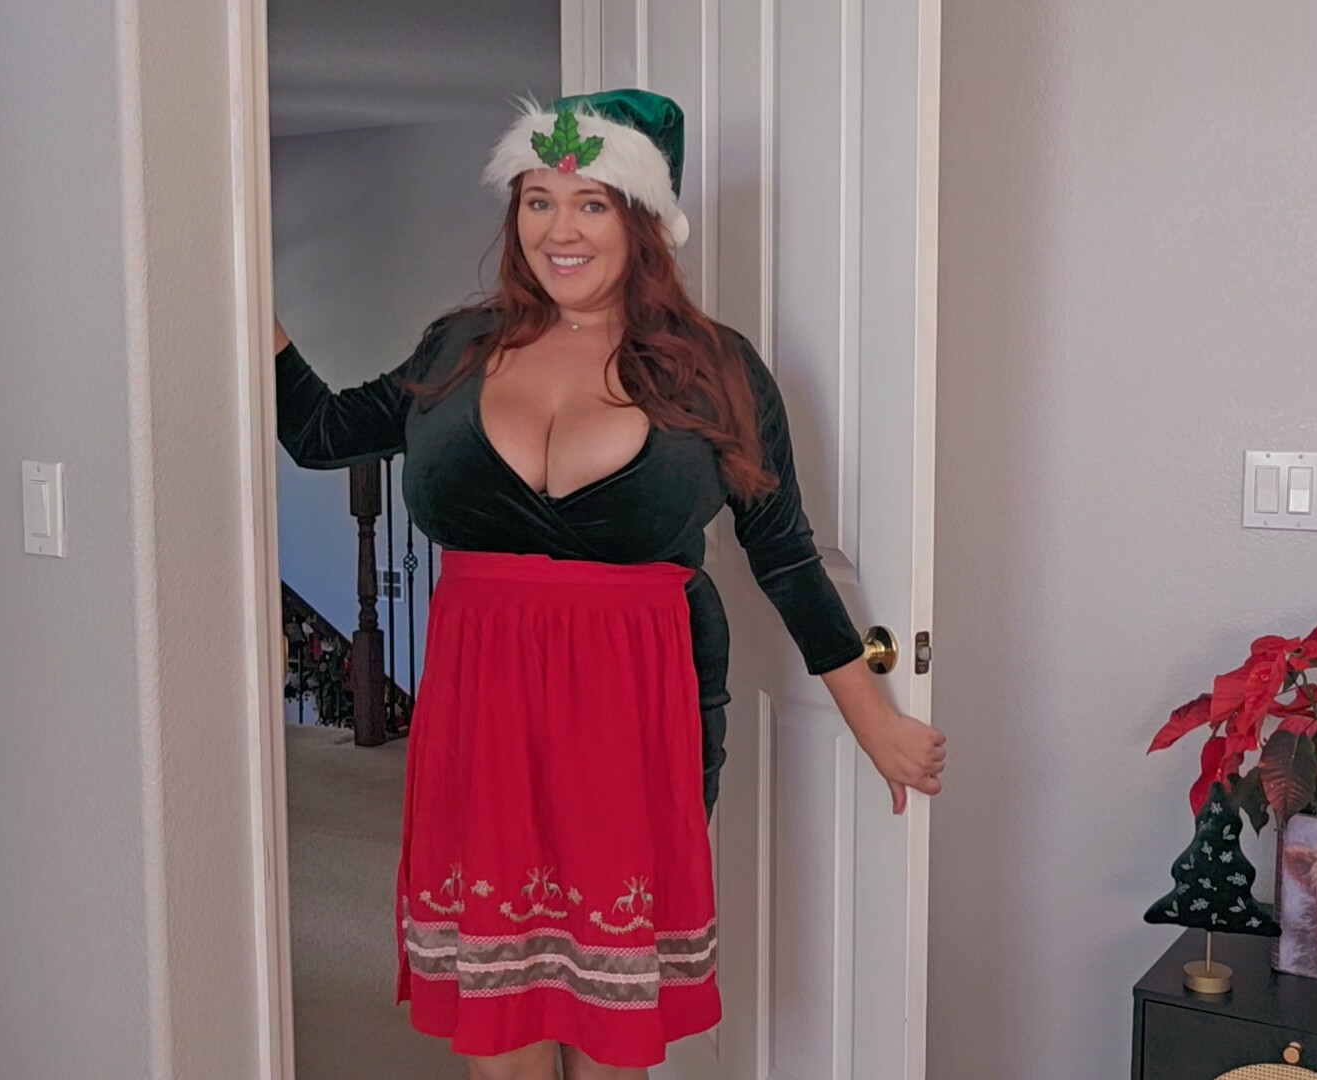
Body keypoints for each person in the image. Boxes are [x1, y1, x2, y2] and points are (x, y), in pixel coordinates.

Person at [271, 89, 947, 1080]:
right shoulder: (457, 348)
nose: (561, 230)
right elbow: (322, 432)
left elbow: (784, 552)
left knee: (609, 1029)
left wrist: (872, 718)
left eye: (591, 203)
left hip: (638, 713)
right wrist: (240, 294)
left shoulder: (717, 368)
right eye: (538, 201)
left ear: (642, 219)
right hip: (482, 712)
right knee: (500, 1030)